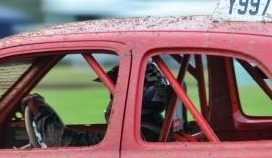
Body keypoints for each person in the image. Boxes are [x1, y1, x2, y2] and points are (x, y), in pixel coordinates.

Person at [21, 61, 173, 147]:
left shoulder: (141, 134)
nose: (112, 98)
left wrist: (41, 112)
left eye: (114, 92)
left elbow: (63, 142)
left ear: (137, 94)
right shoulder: (153, 127)